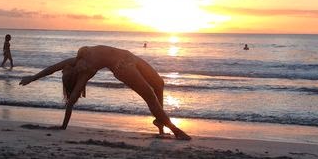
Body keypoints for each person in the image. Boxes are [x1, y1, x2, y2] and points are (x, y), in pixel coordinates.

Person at [19, 45, 191, 140]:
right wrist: (63, 126)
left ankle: (160, 123)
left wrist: (32, 78)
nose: (64, 70)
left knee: (159, 83)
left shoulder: (73, 61)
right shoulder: (86, 73)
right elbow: (71, 101)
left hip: (129, 56)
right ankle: (174, 129)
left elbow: (50, 69)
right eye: (66, 73)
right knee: (149, 95)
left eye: (65, 71)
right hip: (122, 67)